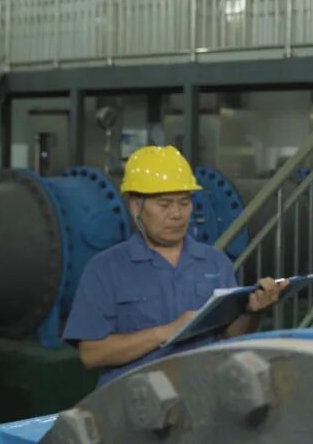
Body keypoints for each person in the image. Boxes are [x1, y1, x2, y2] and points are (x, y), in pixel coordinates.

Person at [63, 146, 288, 386]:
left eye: (184, 202)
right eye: (164, 204)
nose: (177, 214)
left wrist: (253, 312)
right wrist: (166, 332)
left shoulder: (215, 262)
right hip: (137, 399)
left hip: (205, 394)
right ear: (135, 205)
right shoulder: (106, 269)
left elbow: (229, 336)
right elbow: (91, 354)